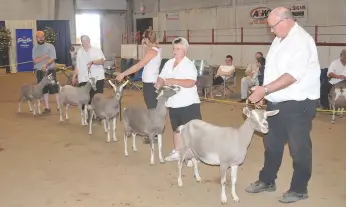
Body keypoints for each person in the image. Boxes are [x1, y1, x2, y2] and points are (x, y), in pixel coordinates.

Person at [246, 7, 320, 204]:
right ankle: (267, 180)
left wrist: (265, 90)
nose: (271, 31)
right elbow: (274, 70)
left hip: (298, 104)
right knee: (271, 145)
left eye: (272, 26)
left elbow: (291, 76)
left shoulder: (301, 41)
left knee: (299, 148)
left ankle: (299, 189)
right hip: (276, 100)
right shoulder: (280, 39)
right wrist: (264, 93)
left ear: (285, 20)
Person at [154, 37, 201, 162]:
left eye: (178, 49)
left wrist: (175, 81)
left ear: (185, 50)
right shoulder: (169, 63)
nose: (175, 51)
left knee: (190, 132)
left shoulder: (189, 65)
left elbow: (191, 82)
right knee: (176, 129)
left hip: (188, 103)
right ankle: (177, 151)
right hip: (173, 102)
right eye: (174, 48)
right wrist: (159, 82)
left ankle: (193, 157)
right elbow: (162, 77)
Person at [116, 29, 162, 143]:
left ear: (146, 39)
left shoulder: (152, 52)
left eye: (144, 40)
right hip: (151, 83)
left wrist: (123, 74)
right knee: (152, 108)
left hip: (150, 84)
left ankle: (154, 135)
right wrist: (143, 47)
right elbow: (144, 59)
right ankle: (154, 133)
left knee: (152, 109)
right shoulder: (155, 49)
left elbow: (139, 65)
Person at [72, 35, 106, 111]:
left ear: (89, 40)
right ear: (81, 42)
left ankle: (98, 115)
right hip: (83, 79)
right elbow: (77, 66)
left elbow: (102, 61)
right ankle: (86, 116)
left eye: (86, 40)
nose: (85, 42)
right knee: (84, 99)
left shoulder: (97, 50)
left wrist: (93, 62)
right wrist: (74, 76)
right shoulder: (80, 52)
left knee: (97, 98)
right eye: (83, 41)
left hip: (97, 78)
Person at [32, 30, 60, 114]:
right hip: (40, 71)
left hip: (50, 70)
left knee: (54, 88)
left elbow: (53, 58)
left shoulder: (50, 46)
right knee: (44, 90)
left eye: (42, 37)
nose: (41, 39)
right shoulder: (35, 48)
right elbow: (35, 61)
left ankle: (59, 107)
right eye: (39, 37)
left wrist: (46, 64)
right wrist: (45, 57)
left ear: (44, 37)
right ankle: (47, 108)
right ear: (36, 38)